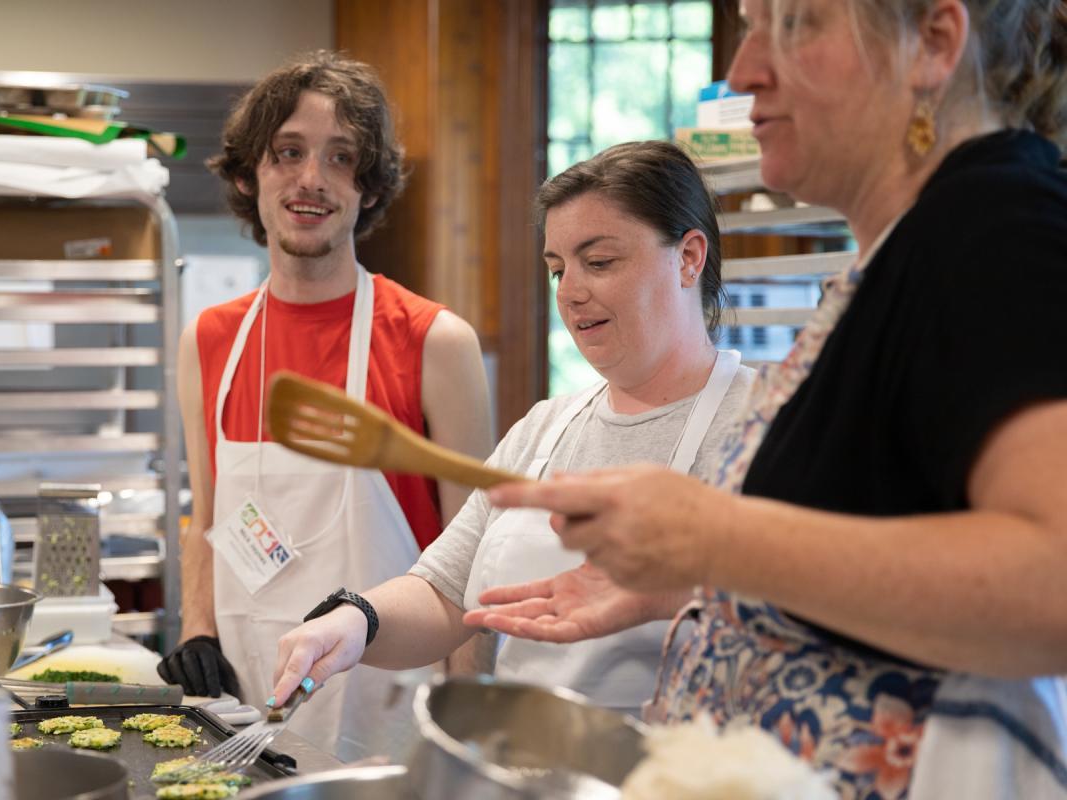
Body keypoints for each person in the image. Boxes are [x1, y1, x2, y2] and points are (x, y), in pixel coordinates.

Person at [470, 1, 1067, 798]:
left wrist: (714, 539)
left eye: (797, 23)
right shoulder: (906, 253)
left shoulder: (997, 227)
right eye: (751, 24)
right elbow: (880, 558)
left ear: (933, 44)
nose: (745, 70)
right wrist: (695, 583)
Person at [267, 140, 757, 720]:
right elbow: (444, 594)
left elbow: (820, 612)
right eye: (557, 269)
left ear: (688, 257)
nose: (571, 292)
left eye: (599, 262)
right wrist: (356, 620)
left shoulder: (765, 424)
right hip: (525, 768)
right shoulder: (545, 429)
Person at [157, 50, 493, 760]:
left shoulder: (435, 342)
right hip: (246, 720)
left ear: (369, 188)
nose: (312, 179)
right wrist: (196, 628)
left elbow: (475, 563)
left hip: (393, 724)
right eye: (288, 153)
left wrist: (467, 736)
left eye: (342, 158)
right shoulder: (210, 340)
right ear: (250, 175)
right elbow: (208, 513)